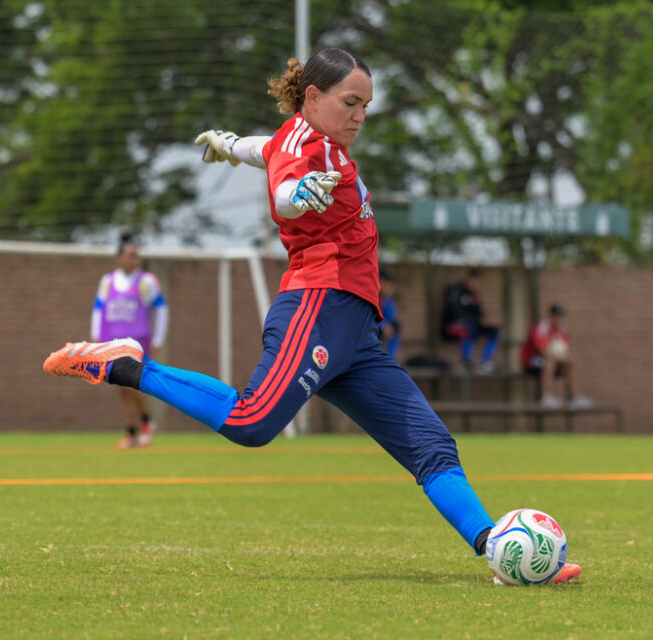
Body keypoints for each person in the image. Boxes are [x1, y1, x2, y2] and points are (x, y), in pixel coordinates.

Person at [43, 49, 579, 583]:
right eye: (351, 102)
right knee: (250, 423)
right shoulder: (308, 146)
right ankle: (123, 365)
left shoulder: (308, 141)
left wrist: (230, 145)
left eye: (366, 106)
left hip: (356, 333)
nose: (360, 116)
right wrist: (297, 195)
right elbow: (284, 191)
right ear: (314, 97)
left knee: (431, 447)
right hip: (317, 307)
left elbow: (266, 148)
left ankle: (498, 550)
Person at [90, 234, 168, 448]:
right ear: (119, 257)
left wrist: (158, 338)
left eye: (137, 255)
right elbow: (98, 308)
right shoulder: (107, 281)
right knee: (121, 387)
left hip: (137, 342)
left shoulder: (147, 281)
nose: (136, 259)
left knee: (133, 383)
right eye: (131, 255)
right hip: (111, 340)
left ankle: (146, 420)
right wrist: (96, 336)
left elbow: (162, 309)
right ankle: (131, 431)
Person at [519, 303, 592, 409]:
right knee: (550, 360)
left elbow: (563, 350)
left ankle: (575, 397)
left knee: (572, 361)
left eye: (561, 316)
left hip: (553, 359)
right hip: (530, 360)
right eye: (556, 315)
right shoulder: (541, 327)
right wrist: (561, 357)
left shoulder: (562, 329)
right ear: (550, 316)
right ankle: (546, 397)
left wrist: (566, 358)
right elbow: (543, 351)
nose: (558, 318)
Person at [440, 269, 501, 373]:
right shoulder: (456, 292)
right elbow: (456, 313)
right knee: (466, 328)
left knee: (494, 329)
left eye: (479, 283)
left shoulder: (475, 295)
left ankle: (485, 362)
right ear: (468, 280)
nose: (477, 285)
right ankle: (466, 362)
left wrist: (487, 321)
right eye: (475, 282)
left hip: (472, 325)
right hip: (452, 326)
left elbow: (479, 315)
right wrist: (478, 320)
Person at [377, 268, 401, 359]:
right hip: (374, 326)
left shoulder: (387, 300)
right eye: (387, 285)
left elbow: (392, 317)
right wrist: (383, 325)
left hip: (384, 327)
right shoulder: (374, 298)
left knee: (396, 326)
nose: (390, 288)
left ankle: (390, 358)